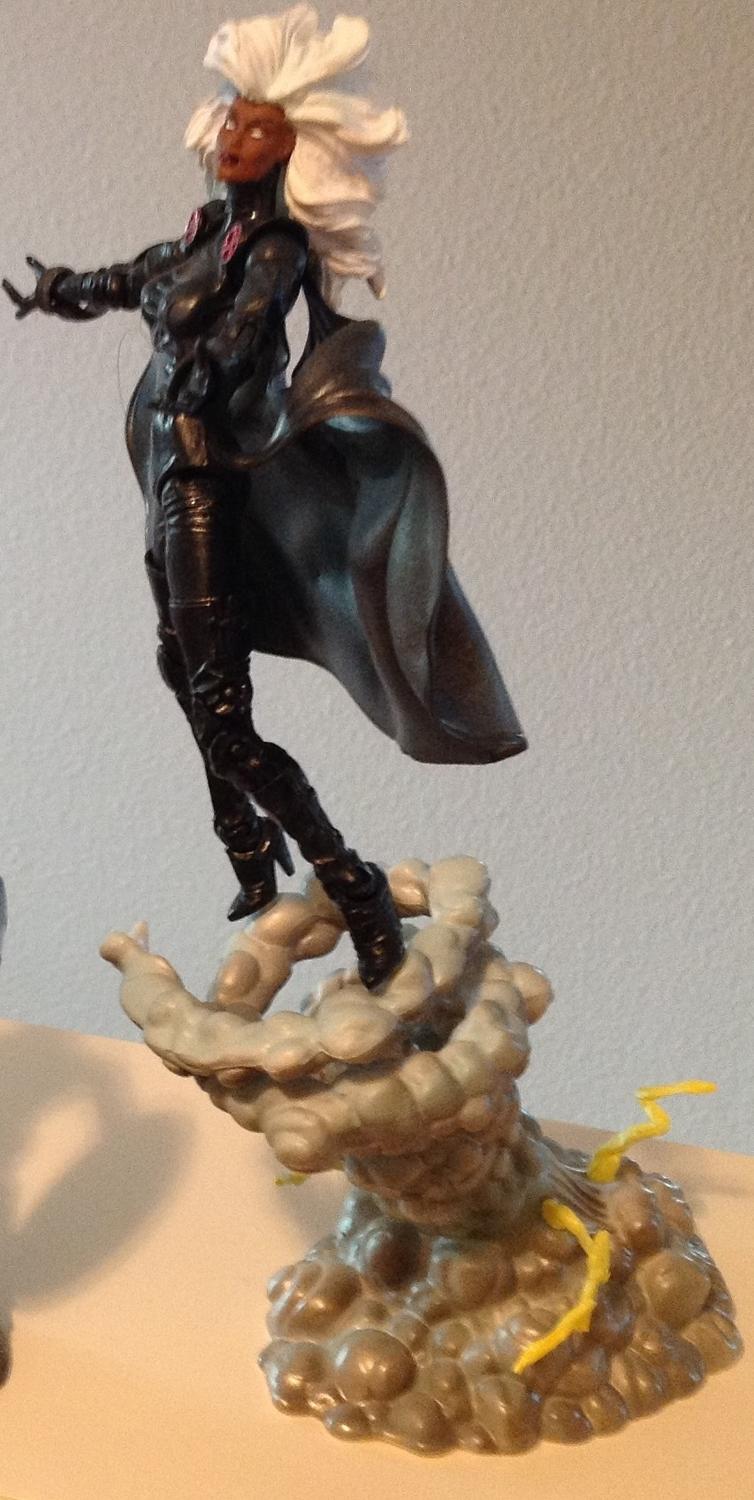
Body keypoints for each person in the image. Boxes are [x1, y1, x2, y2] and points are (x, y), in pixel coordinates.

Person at [3, 8, 526, 990]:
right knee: (180, 665)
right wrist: (58, 289)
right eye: (233, 121)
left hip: (207, 482)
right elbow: (129, 280)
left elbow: (249, 329)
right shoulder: (206, 234)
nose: (236, 138)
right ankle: (245, 840)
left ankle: (353, 888)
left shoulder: (274, 248)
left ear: (292, 152)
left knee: (221, 709)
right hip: (164, 471)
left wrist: (211, 367)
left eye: (260, 129)